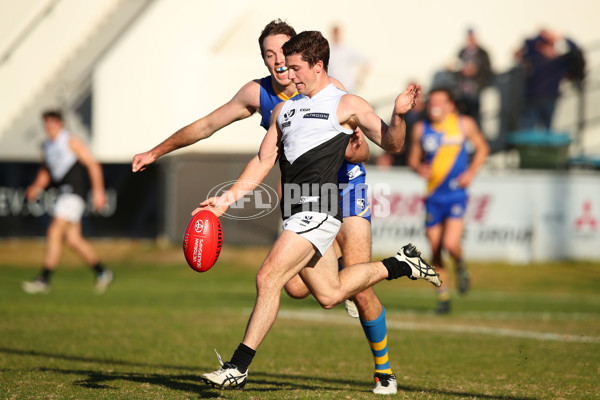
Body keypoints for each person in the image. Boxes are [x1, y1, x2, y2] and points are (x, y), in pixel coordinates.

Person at [133, 20, 406, 394]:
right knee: (316, 292)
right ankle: (400, 263)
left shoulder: (334, 95)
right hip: (299, 198)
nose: (279, 64)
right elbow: (211, 129)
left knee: (285, 279)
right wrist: (158, 152)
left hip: (342, 185)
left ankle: (381, 370)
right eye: (270, 55)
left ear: (307, 61)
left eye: (286, 56)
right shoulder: (266, 99)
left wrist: (363, 140)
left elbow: (368, 146)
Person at [198, 30, 440, 390]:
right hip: (295, 212)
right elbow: (264, 160)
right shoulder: (283, 109)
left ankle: (238, 366)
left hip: (321, 209)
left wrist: (399, 116)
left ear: (317, 66)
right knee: (328, 294)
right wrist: (227, 199)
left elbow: (392, 144)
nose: (288, 74)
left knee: (268, 278)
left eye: (295, 68)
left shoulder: (347, 104)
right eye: (284, 66)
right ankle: (401, 263)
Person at [408, 88, 489, 314]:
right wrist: (418, 168)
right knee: (434, 249)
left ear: (450, 105)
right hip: (433, 197)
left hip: (456, 195)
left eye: (441, 102)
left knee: (450, 244)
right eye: (432, 101)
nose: (435, 106)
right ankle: (443, 299)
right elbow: (413, 159)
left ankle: (461, 268)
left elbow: (483, 148)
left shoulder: (464, 124)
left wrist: (471, 173)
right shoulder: (420, 129)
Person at [22, 110, 113, 294]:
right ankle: (102, 272)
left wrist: (98, 192)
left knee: (54, 231)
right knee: (73, 240)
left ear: (60, 124)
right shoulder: (47, 146)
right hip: (62, 193)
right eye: (47, 124)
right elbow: (46, 172)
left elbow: (93, 165)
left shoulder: (70, 141)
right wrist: (36, 187)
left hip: (73, 192)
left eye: (53, 123)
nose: (50, 127)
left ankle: (43, 280)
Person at [516, 29, 583, 130]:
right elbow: (528, 43)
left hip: (550, 99)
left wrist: (562, 37)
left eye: (551, 45)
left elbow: (576, 52)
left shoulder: (560, 61)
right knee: (529, 130)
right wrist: (541, 36)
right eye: (546, 45)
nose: (549, 48)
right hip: (533, 99)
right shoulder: (534, 58)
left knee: (548, 129)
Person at [456, 29, 493, 127]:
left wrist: (476, 70)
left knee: (477, 118)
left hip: (477, 91)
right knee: (464, 118)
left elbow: (488, 70)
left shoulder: (483, 53)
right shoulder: (461, 52)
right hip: (463, 92)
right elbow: (456, 66)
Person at [328, 24, 370, 95]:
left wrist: (360, 80)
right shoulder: (329, 50)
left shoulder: (347, 49)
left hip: (348, 87)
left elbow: (366, 61)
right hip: (333, 89)